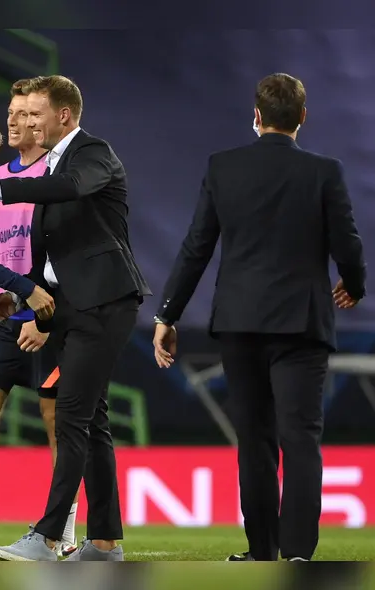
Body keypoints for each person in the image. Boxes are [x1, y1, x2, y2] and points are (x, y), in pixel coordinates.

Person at [153, 73, 367, 562]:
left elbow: (195, 248)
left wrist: (168, 313)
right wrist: (353, 287)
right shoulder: (324, 172)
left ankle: (262, 553)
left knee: (254, 440)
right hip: (302, 325)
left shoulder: (222, 167)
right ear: (302, 118)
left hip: (240, 323)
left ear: (256, 116)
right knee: (301, 438)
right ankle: (297, 554)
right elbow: (348, 246)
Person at [0, 75, 150, 562]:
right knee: (93, 421)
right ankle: (105, 543)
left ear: (63, 116)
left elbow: (70, 188)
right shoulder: (57, 166)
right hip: (71, 304)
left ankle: (48, 536)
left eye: (35, 114)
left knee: (71, 415)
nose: (26, 122)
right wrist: (20, 301)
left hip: (104, 300)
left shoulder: (91, 154)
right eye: (20, 115)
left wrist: (0, 186)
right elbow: (45, 259)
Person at [0, 80, 76, 556]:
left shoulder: (56, 174)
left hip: (48, 309)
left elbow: (58, 249)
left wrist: (39, 311)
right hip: (6, 310)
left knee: (55, 420)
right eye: (10, 111)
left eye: (25, 113)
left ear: (43, 120)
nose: (13, 120)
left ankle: (60, 529)